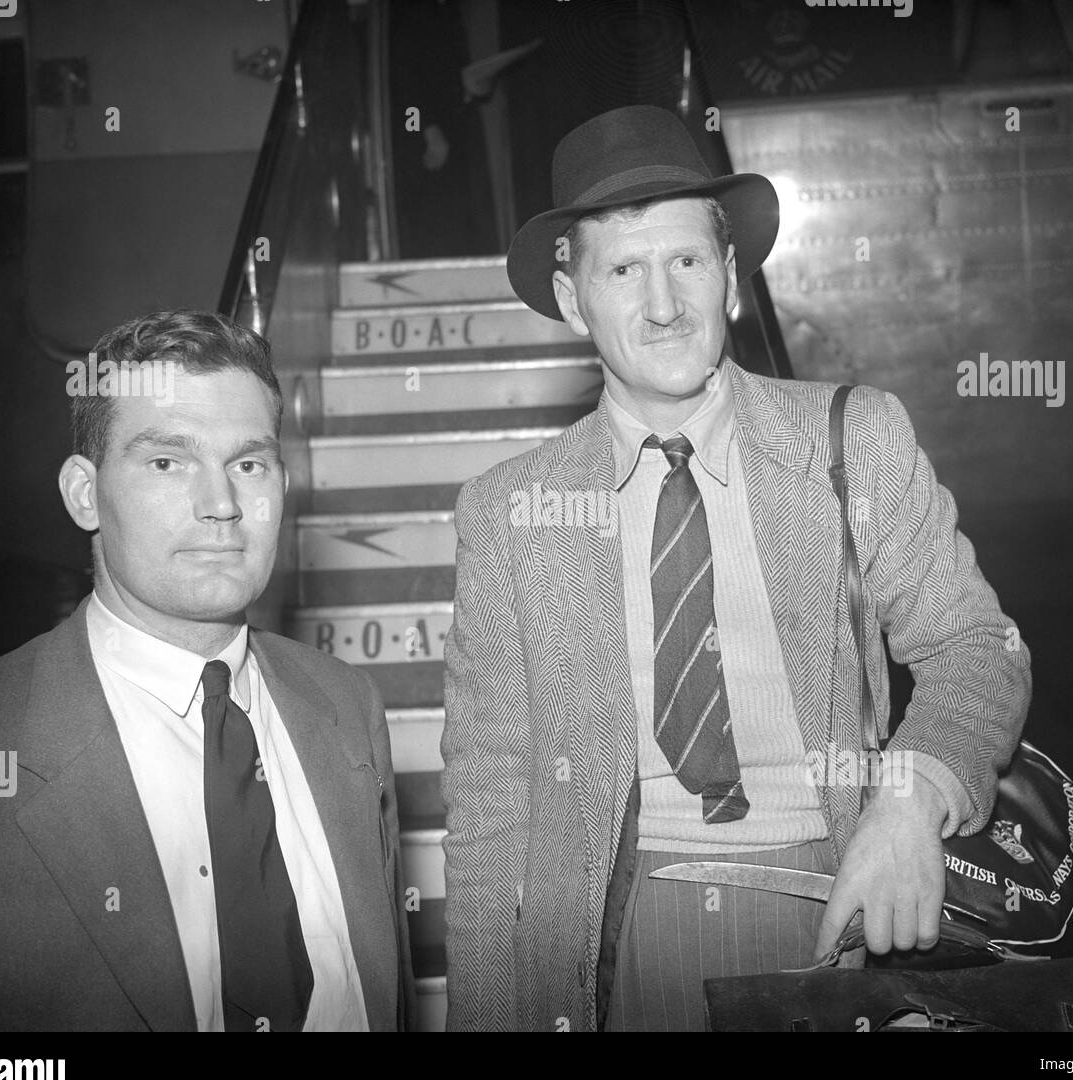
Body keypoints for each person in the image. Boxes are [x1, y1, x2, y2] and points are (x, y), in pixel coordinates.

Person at [440, 105, 1031, 1032]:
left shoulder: (853, 440)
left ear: (730, 279)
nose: (663, 303)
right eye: (624, 270)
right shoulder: (510, 512)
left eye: (685, 261)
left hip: (843, 910)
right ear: (571, 300)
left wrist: (911, 798)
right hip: (621, 936)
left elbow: (979, 645)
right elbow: (488, 806)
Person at [0, 311, 413, 1031]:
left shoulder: (347, 704)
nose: (221, 506)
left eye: (249, 464)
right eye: (167, 462)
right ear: (85, 494)